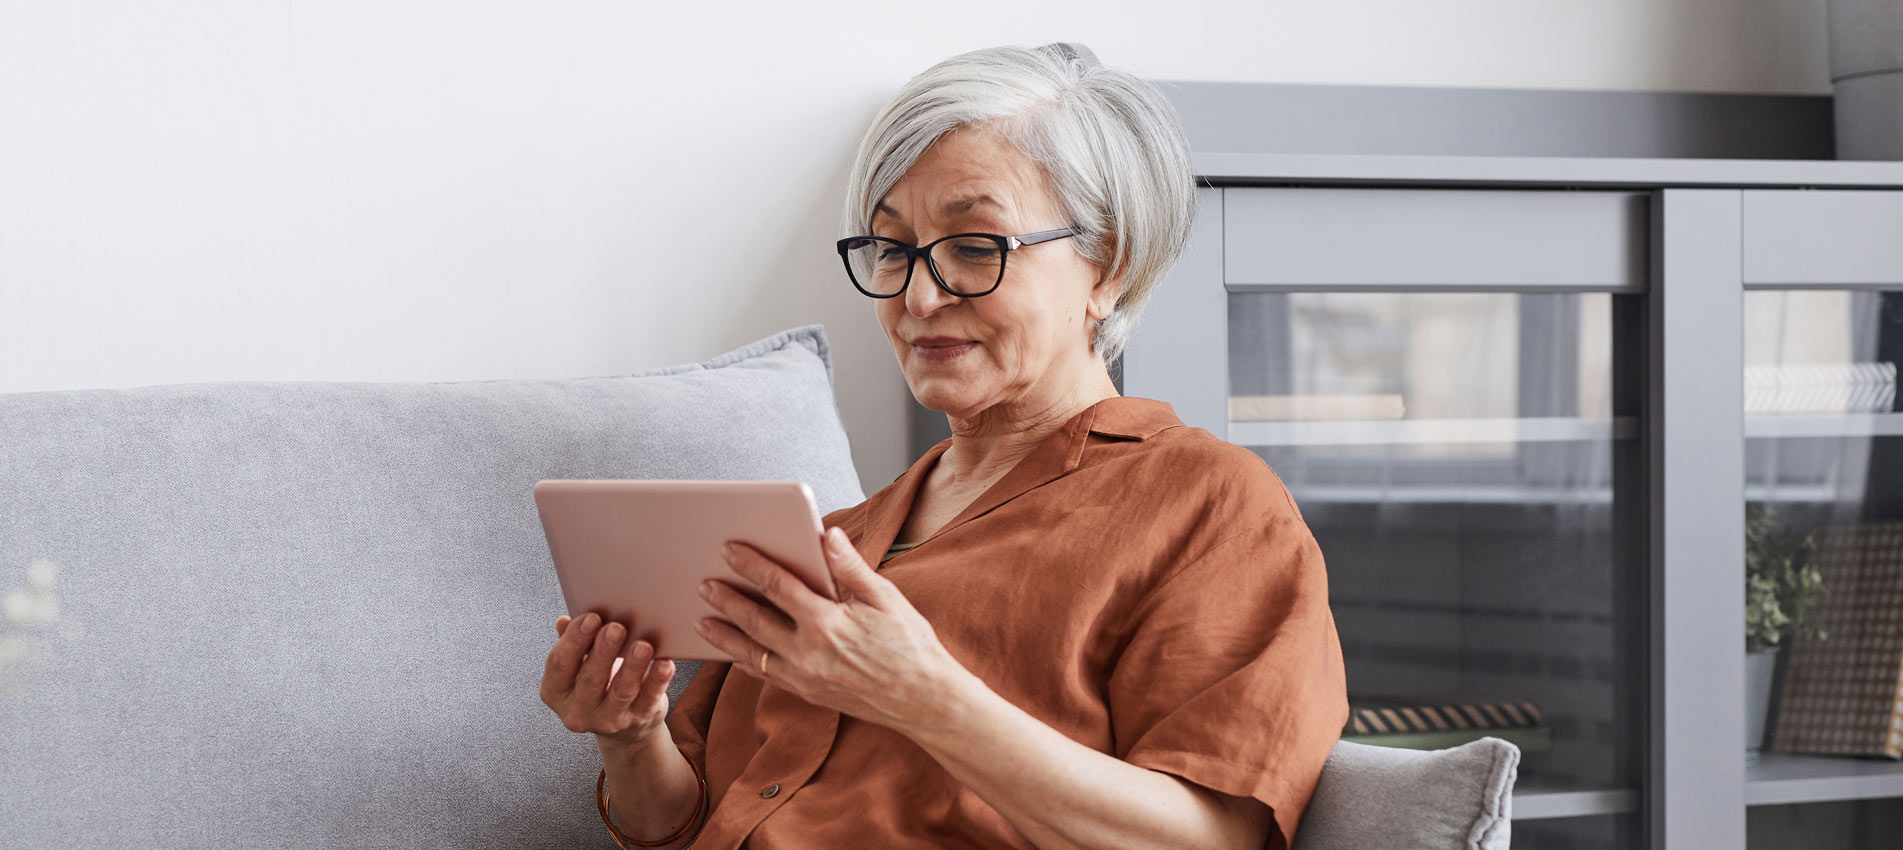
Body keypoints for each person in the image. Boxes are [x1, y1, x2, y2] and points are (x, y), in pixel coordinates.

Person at [540, 44, 1347, 850]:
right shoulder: (835, 541)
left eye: (974, 247)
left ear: (1110, 268)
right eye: (892, 250)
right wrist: (629, 735)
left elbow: (1212, 840)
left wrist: (921, 696)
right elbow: (681, 824)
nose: (919, 297)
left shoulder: (1209, 505)